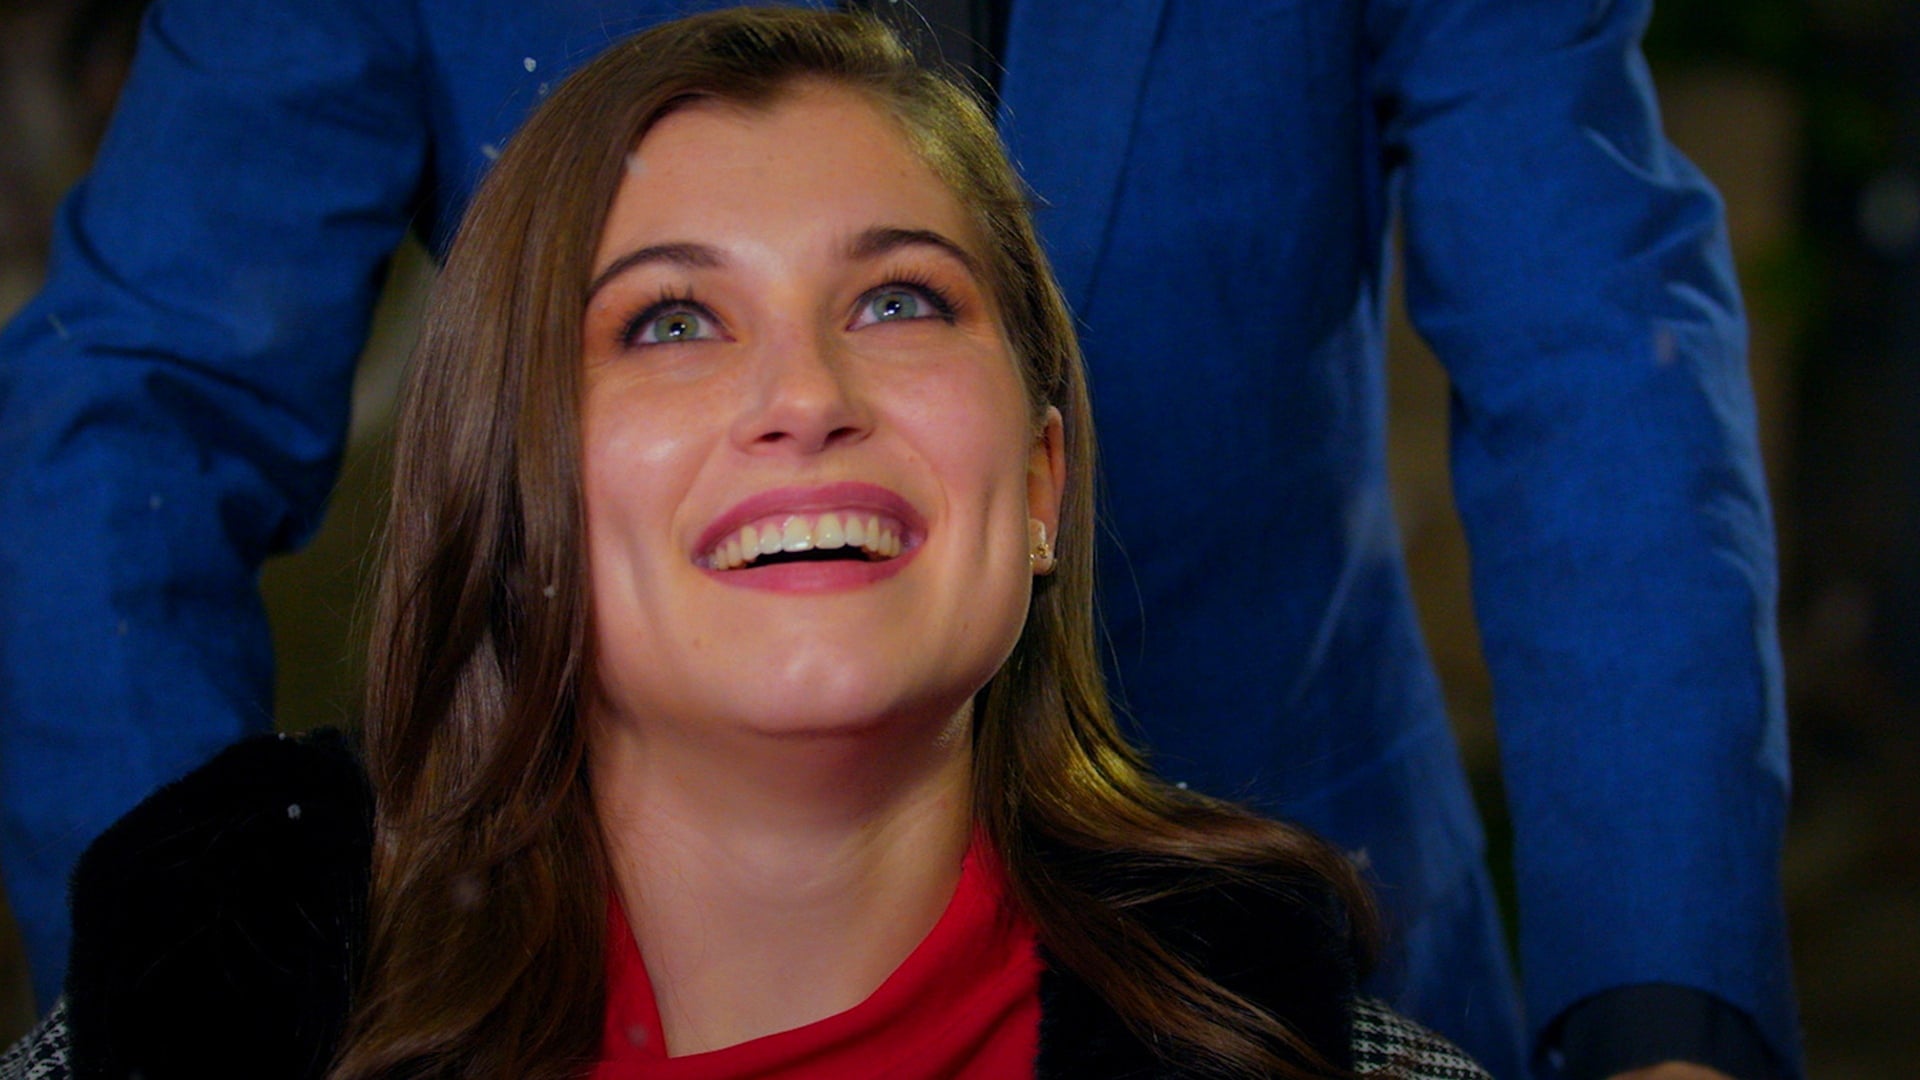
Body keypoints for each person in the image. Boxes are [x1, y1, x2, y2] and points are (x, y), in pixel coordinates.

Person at [0, 1, 1795, 1076]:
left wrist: (1669, 1029)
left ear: (1047, 469)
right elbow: (131, 409)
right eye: (672, 322)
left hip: (1294, 933)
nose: (804, 398)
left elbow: (1596, 358)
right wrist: (192, 993)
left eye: (906, 304)